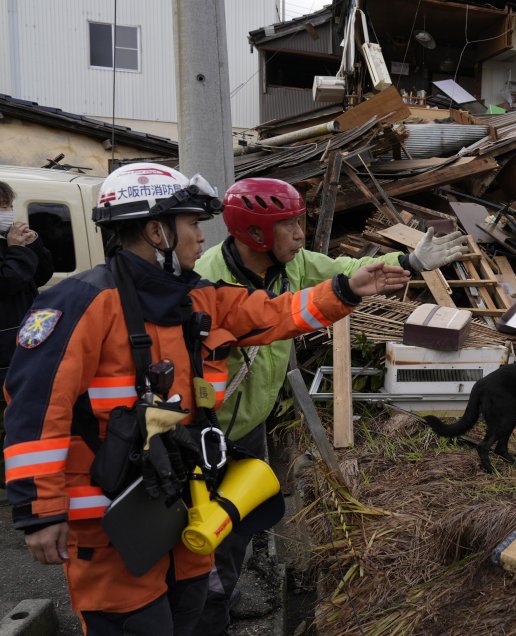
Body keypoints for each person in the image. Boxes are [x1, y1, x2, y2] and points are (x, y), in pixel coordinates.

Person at [1, 163, 410, 635]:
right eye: (192, 223)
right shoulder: (79, 304)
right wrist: (39, 510)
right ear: (157, 231)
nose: (201, 236)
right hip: (113, 521)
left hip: (185, 502)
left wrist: (347, 289)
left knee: (195, 617)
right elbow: (34, 413)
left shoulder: (196, 298)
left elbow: (274, 314)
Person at [191, 177, 469, 634]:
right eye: (289, 225)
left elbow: (344, 266)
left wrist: (408, 260)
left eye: (300, 222)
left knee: (239, 521)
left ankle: (224, 589)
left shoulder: (294, 263)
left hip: (252, 422)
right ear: (256, 234)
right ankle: (209, 612)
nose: (300, 234)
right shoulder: (207, 279)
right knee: (210, 527)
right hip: (209, 431)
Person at [0, 180, 54, 492]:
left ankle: (23, 475)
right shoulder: (9, 246)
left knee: (23, 411)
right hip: (4, 348)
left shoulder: (9, 242)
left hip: (23, 341)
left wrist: (33, 244)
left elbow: (40, 274)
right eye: (3, 207)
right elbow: (8, 280)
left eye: (8, 206)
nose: (8, 213)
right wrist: (17, 250)